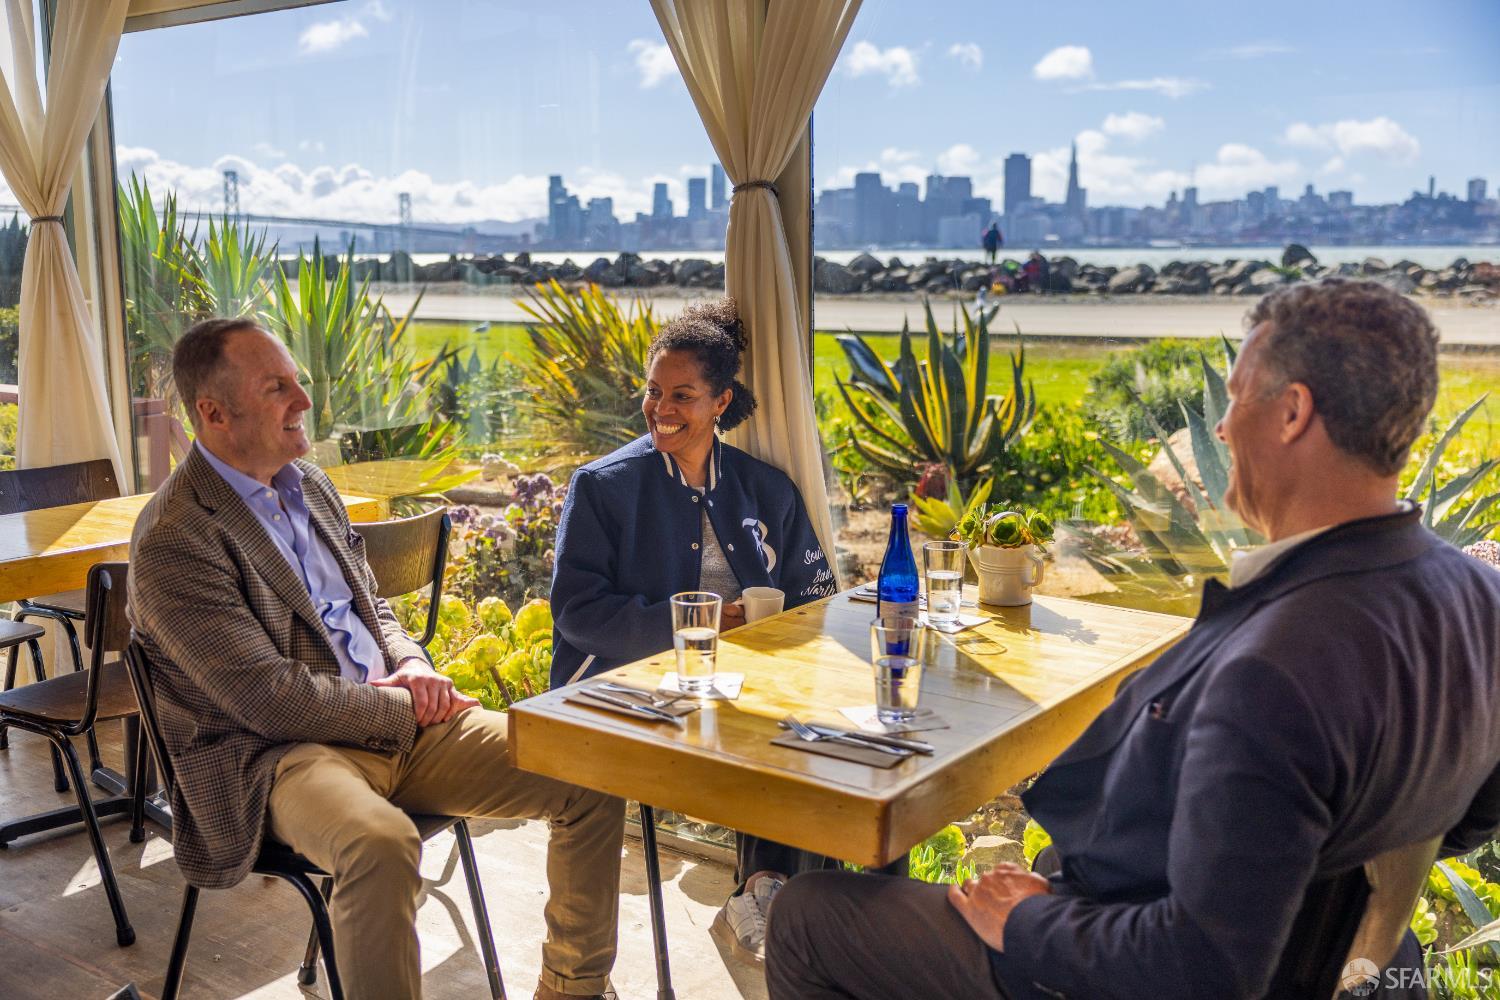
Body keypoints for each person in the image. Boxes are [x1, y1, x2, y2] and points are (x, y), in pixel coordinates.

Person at [765, 278, 1500, 999]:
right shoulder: (1479, 600)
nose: (1221, 428)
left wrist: (1029, 922)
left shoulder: (1276, 664)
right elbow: (1470, 815)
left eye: (1237, 398)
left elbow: (1202, 967)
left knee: (806, 915)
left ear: (1292, 413)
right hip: (1304, 952)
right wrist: (1326, 878)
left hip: (1108, 958)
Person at [128, 319, 626, 1000]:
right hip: (276, 756)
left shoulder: (309, 485)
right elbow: (269, 700)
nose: (304, 401)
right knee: (381, 844)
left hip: (392, 712)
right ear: (213, 414)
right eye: (277, 388)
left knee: (588, 768)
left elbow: (372, 610)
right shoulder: (175, 536)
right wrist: (405, 706)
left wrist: (412, 663)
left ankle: (572, 991)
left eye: (297, 381)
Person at [550, 298, 838, 966]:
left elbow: (814, 593)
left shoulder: (766, 489)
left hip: (747, 681)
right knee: (774, 726)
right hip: (630, 686)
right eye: (654, 392)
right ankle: (769, 889)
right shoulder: (602, 487)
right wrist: (702, 625)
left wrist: (779, 635)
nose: (661, 409)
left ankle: (786, 895)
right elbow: (578, 611)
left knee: (841, 731)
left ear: (720, 402)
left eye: (682, 395)